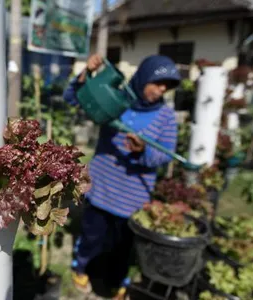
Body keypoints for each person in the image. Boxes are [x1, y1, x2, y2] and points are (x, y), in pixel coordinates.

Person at [63, 54, 181, 294]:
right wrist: (86, 73)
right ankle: (81, 267)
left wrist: (143, 151)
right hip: (101, 185)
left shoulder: (166, 117)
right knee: (92, 234)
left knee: (122, 244)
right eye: (157, 83)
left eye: (166, 87)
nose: (160, 90)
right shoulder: (117, 97)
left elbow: (165, 154)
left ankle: (118, 280)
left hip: (133, 196)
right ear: (143, 78)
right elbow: (73, 99)